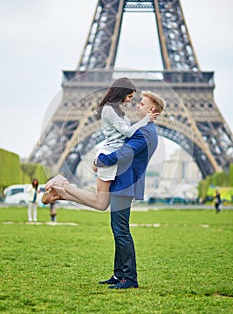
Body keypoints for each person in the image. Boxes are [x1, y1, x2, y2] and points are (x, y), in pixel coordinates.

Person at [42, 91, 166, 289]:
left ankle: (129, 278)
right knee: (118, 229)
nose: (137, 106)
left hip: (125, 184)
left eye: (141, 104)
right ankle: (119, 275)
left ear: (151, 109)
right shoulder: (144, 130)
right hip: (123, 183)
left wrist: (98, 161)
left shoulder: (145, 133)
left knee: (121, 231)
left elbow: (123, 154)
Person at [43, 78, 157, 210]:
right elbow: (127, 133)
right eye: (129, 96)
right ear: (122, 92)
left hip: (113, 156)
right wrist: (146, 120)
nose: (130, 100)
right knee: (100, 203)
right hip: (109, 155)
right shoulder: (109, 109)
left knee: (101, 204)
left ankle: (62, 192)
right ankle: (63, 185)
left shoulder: (119, 112)